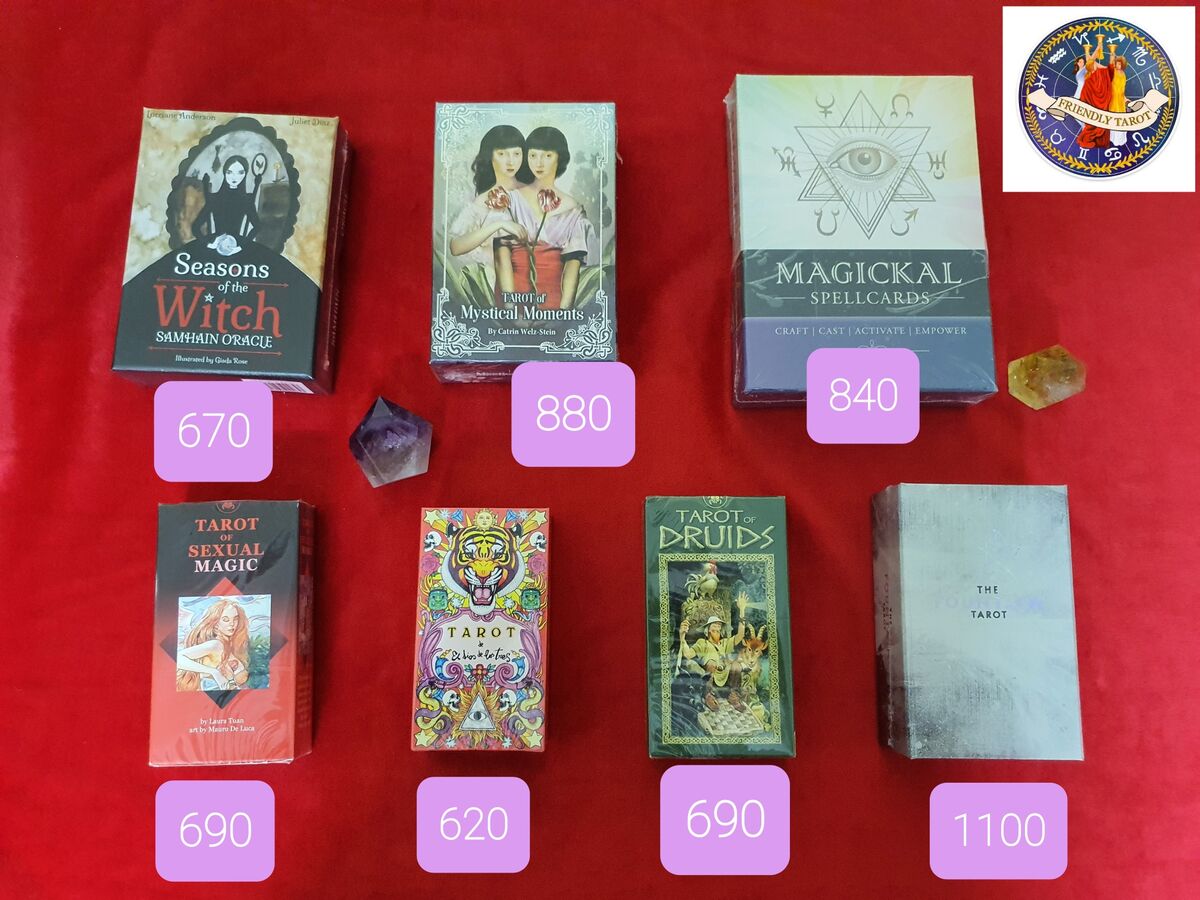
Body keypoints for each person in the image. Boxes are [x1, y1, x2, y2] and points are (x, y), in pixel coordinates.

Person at [500, 126, 595, 309]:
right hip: (512, 294)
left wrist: (563, 312)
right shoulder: (511, 199)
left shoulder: (572, 209)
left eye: (547, 156)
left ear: (560, 157)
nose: (539, 163)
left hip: (553, 298)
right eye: (533, 155)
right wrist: (509, 307)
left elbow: (572, 265)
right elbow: (501, 256)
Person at [448, 125, 530, 268]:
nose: (511, 161)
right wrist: (499, 225)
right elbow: (456, 247)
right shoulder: (483, 200)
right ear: (490, 156)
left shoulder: (532, 192)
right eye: (502, 154)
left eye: (516, 154)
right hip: (499, 275)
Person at [678, 593, 750, 713]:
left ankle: (733, 695)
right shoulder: (702, 643)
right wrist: (682, 636)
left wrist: (742, 610)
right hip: (710, 677)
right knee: (711, 662)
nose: (717, 628)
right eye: (714, 627)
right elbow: (688, 654)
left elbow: (740, 635)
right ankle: (708, 696)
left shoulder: (724, 643)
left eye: (719, 627)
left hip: (726, 677)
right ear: (707, 631)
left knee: (736, 665)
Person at [176, 599, 251, 691]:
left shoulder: (232, 648)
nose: (232, 624)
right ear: (215, 624)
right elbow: (179, 658)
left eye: (235, 619)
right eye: (225, 619)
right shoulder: (215, 645)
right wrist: (214, 672)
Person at [194, 156, 261, 241]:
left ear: (245, 174)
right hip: (216, 241)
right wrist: (208, 243)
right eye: (229, 172)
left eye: (240, 173)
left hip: (236, 242)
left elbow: (257, 226)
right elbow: (195, 227)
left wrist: (243, 244)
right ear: (224, 173)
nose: (234, 177)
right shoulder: (214, 198)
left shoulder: (247, 200)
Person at [1077, 38, 1114, 149]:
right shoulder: (1094, 76)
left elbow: (1109, 70)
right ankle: (1093, 141)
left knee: (1094, 125)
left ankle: (1097, 142)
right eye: (1094, 64)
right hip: (1097, 108)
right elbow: (1109, 70)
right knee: (1096, 125)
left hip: (1094, 109)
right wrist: (1099, 48)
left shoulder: (1098, 74)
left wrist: (1100, 48)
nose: (1096, 65)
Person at [1108, 54, 1130, 146]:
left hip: (1120, 99)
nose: (1118, 65)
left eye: (1119, 64)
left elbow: (1122, 89)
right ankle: (1113, 139)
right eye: (1117, 63)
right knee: (1114, 118)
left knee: (1121, 119)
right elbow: (1110, 65)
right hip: (1113, 99)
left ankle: (1120, 140)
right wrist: (1112, 55)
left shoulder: (1123, 75)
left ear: (1123, 65)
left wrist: (1125, 98)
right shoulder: (1113, 72)